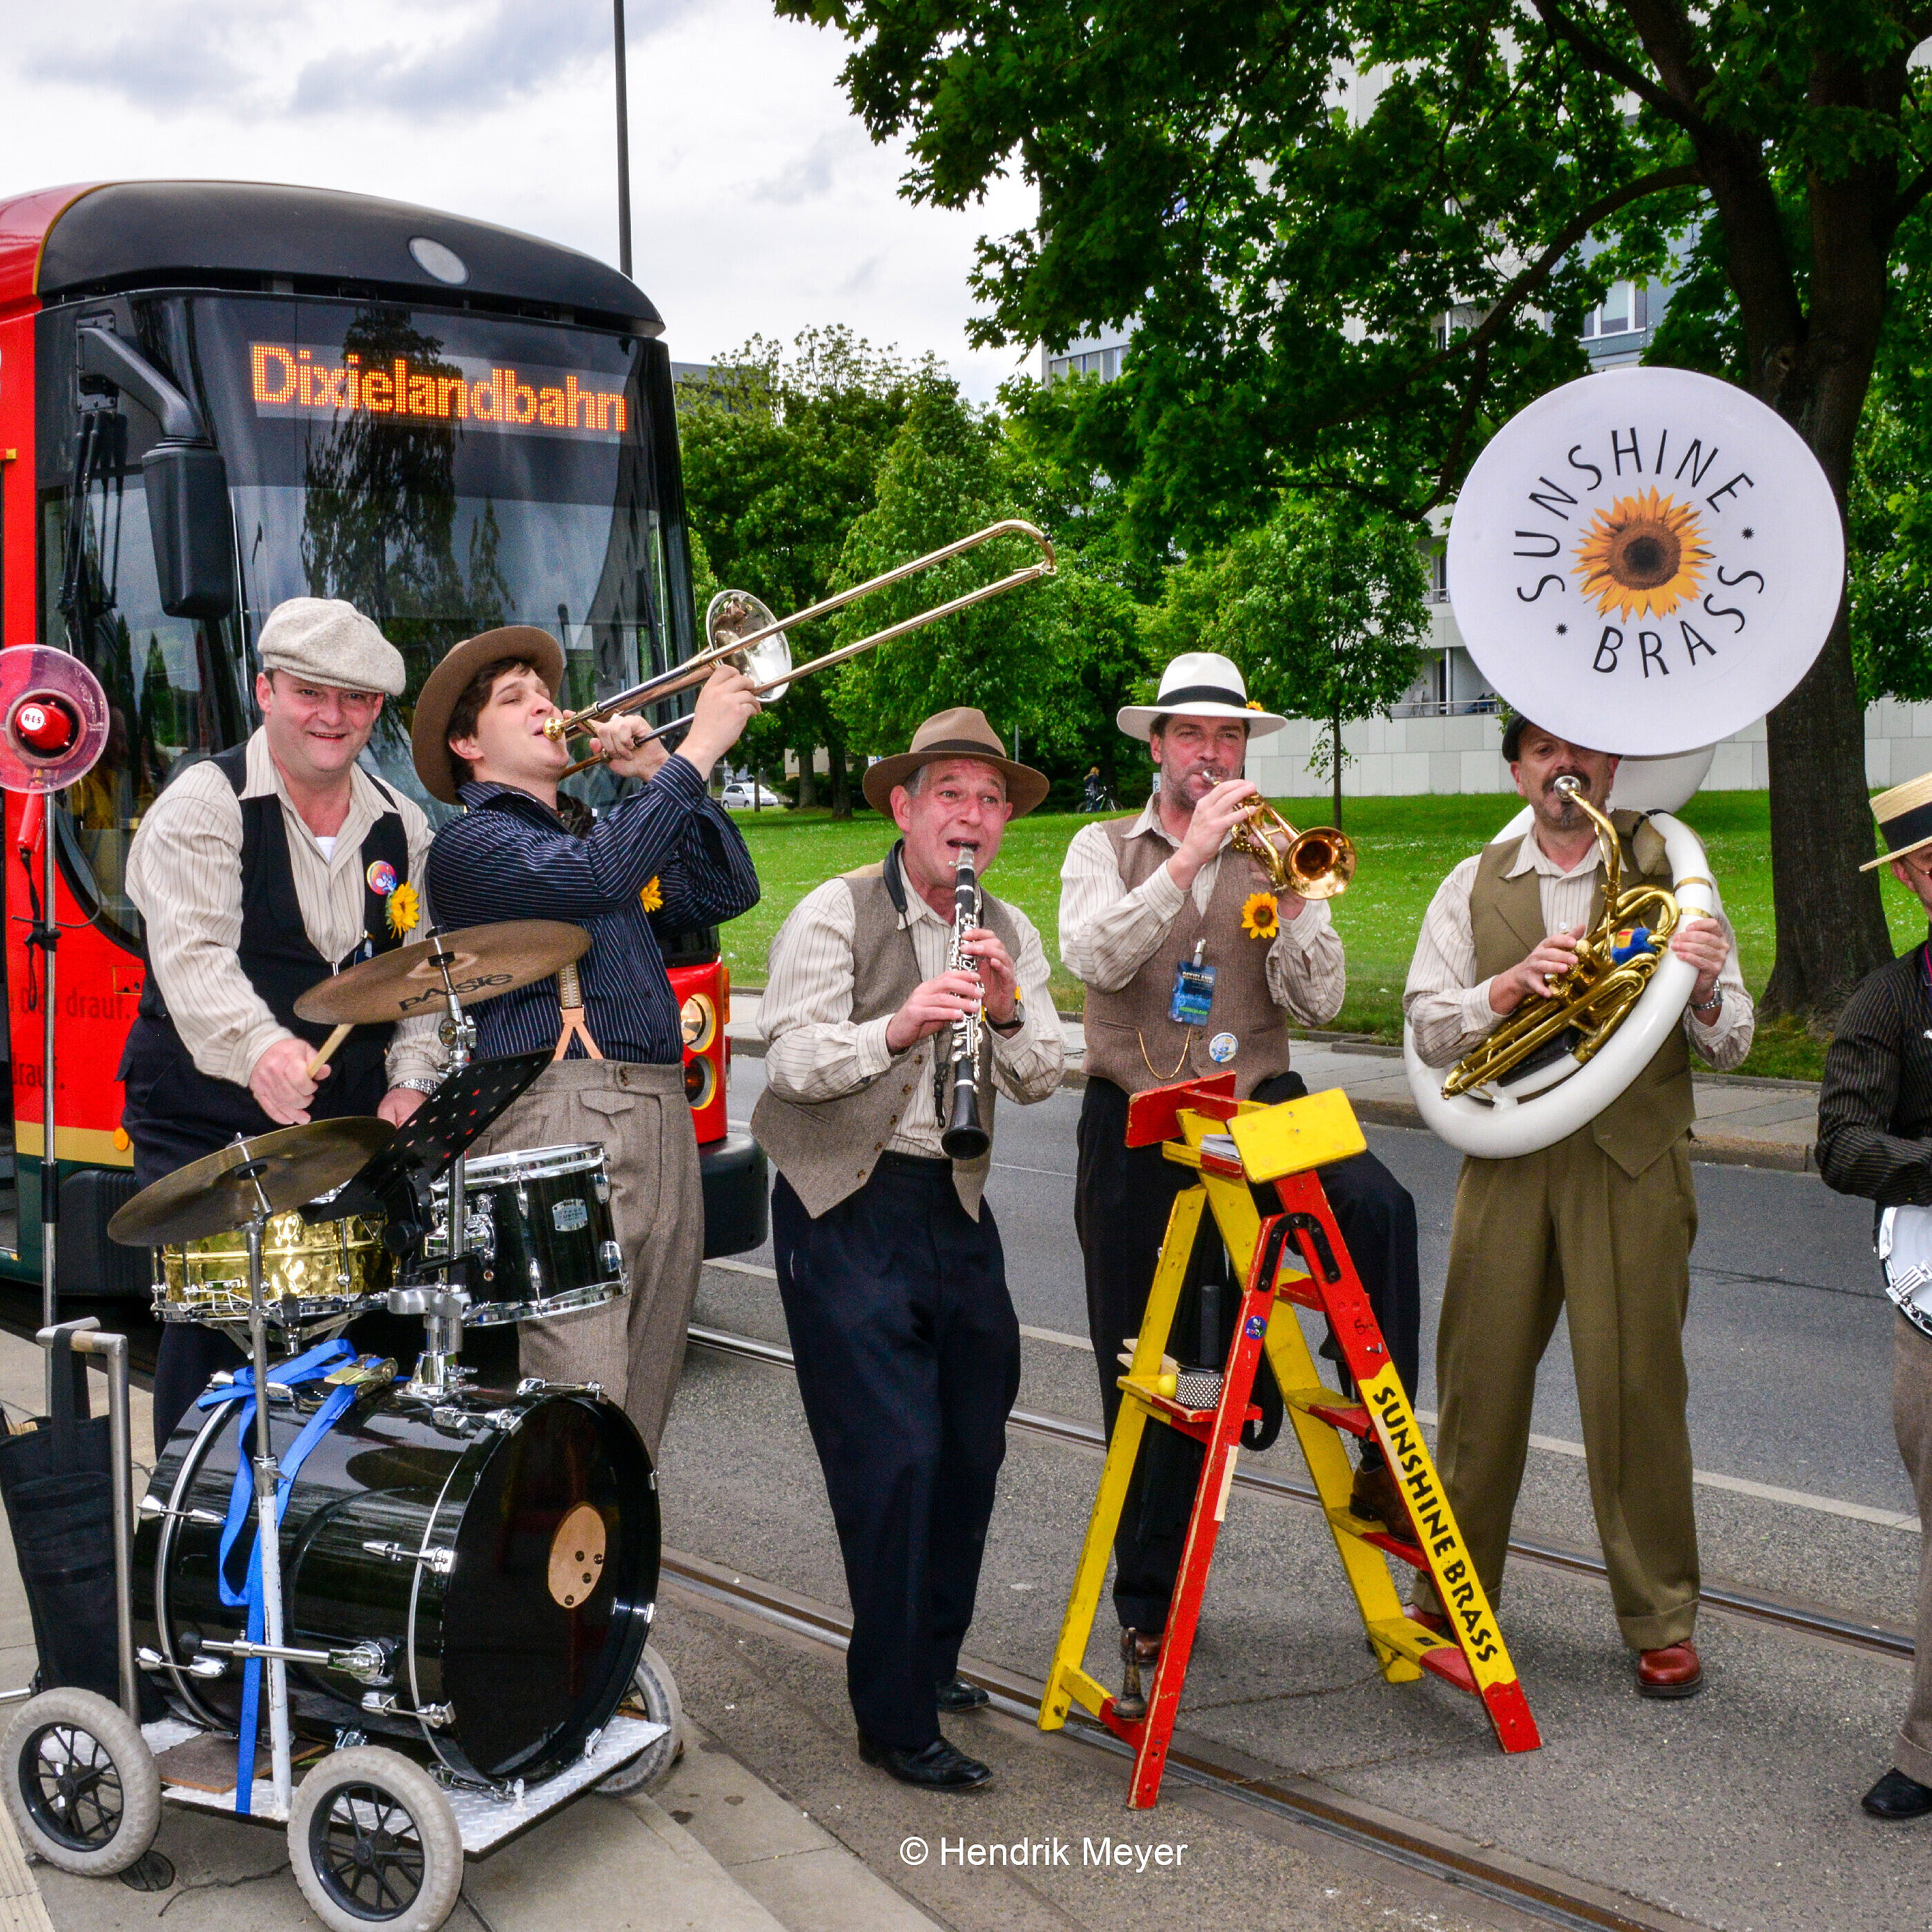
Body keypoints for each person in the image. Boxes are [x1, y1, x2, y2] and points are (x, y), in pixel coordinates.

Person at [1058, 651, 1423, 1713]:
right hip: (1135, 1115)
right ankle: (1148, 1599)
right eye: (1191, 736)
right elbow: (1092, 956)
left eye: (1227, 738)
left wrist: (1299, 899)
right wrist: (1184, 864)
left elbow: (1319, 1000)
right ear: (1158, 747)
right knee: (1159, 1368)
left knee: (1378, 1207)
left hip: (1260, 1096)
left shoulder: (1277, 852)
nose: (1210, 753)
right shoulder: (1102, 846)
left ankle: (1379, 1442)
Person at [1404, 714, 1752, 1697]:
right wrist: (1504, 991)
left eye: (1583, 750)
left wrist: (1702, 986)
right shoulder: (1469, 881)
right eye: (1543, 751)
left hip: (1629, 1160)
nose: (1567, 767)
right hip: (1507, 1156)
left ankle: (1658, 1615)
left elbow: (1730, 1044)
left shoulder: (1668, 863)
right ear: (1516, 768)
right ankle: (1451, 1590)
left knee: (1635, 1389)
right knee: (1476, 1382)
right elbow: (1428, 1030)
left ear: (1611, 762)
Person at [752, 708, 1065, 1791]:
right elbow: (789, 1059)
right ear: (903, 806)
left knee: (971, 1439)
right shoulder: (835, 910)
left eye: (989, 801)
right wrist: (898, 1024)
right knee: (893, 1458)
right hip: (844, 1200)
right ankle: (890, 1719)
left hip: (953, 1203)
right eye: (950, 795)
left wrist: (1008, 1001)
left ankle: (929, 1661)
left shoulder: (1006, 925)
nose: (971, 818)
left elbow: (1042, 1074)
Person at [416, 629, 759, 1458]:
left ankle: (610, 1573)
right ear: (468, 745)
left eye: (544, 690)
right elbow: (598, 882)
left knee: (645, 1391)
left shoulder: (592, 828)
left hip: (657, 1110)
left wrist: (653, 774)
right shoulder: (472, 843)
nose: (546, 705)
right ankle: (557, 1571)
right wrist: (698, 752)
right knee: (582, 1388)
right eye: (516, 699)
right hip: (561, 1111)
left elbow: (725, 888)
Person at [122, 598, 440, 1451]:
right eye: (311, 692)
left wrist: (412, 1080)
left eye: (357, 700)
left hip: (347, 1120)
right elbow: (191, 958)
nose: (333, 718)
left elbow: (419, 979)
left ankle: (324, 1535)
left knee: (360, 1333)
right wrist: (261, 1047)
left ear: (377, 711)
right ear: (265, 690)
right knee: (225, 1335)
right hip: (205, 1110)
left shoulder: (400, 824)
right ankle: (199, 1530)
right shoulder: (205, 802)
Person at [1817, 772, 1932, 1818]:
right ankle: (1927, 1749)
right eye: (1927, 859)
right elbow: (1841, 1144)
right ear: (1905, 876)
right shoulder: (1886, 1002)